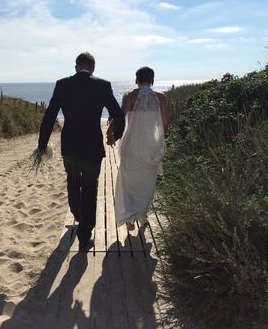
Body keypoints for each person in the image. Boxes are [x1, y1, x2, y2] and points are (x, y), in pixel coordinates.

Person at [37, 52, 125, 251]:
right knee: (90, 188)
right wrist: (115, 136)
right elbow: (118, 114)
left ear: (76, 67)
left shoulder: (62, 84)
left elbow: (49, 115)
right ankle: (85, 236)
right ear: (93, 67)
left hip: (69, 145)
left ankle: (78, 214)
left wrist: (42, 144)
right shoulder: (103, 85)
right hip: (93, 146)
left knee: (72, 181)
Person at [114, 66, 169, 231]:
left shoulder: (129, 96)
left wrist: (112, 134)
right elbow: (165, 123)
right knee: (147, 184)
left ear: (136, 79)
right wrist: (158, 141)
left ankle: (129, 218)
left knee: (128, 183)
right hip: (150, 147)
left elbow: (120, 118)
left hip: (131, 146)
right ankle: (143, 216)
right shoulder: (161, 97)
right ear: (152, 80)